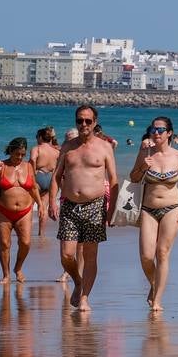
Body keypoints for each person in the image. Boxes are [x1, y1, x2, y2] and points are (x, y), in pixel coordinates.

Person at [52, 105, 119, 311]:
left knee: (90, 255)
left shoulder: (104, 147)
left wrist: (112, 210)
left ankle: (84, 298)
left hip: (95, 205)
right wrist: (51, 201)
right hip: (69, 206)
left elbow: (114, 179)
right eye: (80, 120)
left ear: (95, 122)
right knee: (67, 255)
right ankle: (78, 282)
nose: (83, 125)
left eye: (88, 121)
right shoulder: (67, 147)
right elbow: (56, 175)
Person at [128, 115, 178, 311]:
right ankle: (155, 284)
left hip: (173, 207)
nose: (156, 133)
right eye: (153, 129)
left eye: (160, 130)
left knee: (162, 252)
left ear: (169, 133)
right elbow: (133, 177)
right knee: (147, 256)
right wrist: (142, 167)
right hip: (148, 208)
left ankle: (157, 301)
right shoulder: (145, 152)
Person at [0, 137, 42, 283]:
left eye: (23, 154)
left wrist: (41, 205)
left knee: (26, 242)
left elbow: (33, 187)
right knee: (4, 243)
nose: (20, 157)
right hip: (3, 211)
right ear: (10, 151)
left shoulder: (28, 166)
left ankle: (18, 268)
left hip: (25, 211)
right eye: (17, 154)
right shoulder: (1, 166)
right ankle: (6, 275)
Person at [31, 127, 60, 237]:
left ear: (40, 137)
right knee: (43, 206)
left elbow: (33, 160)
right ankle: (41, 233)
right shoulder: (56, 151)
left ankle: (26, 230)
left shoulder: (37, 149)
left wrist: (32, 174)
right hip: (50, 178)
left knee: (29, 206)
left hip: (38, 176)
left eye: (37, 137)